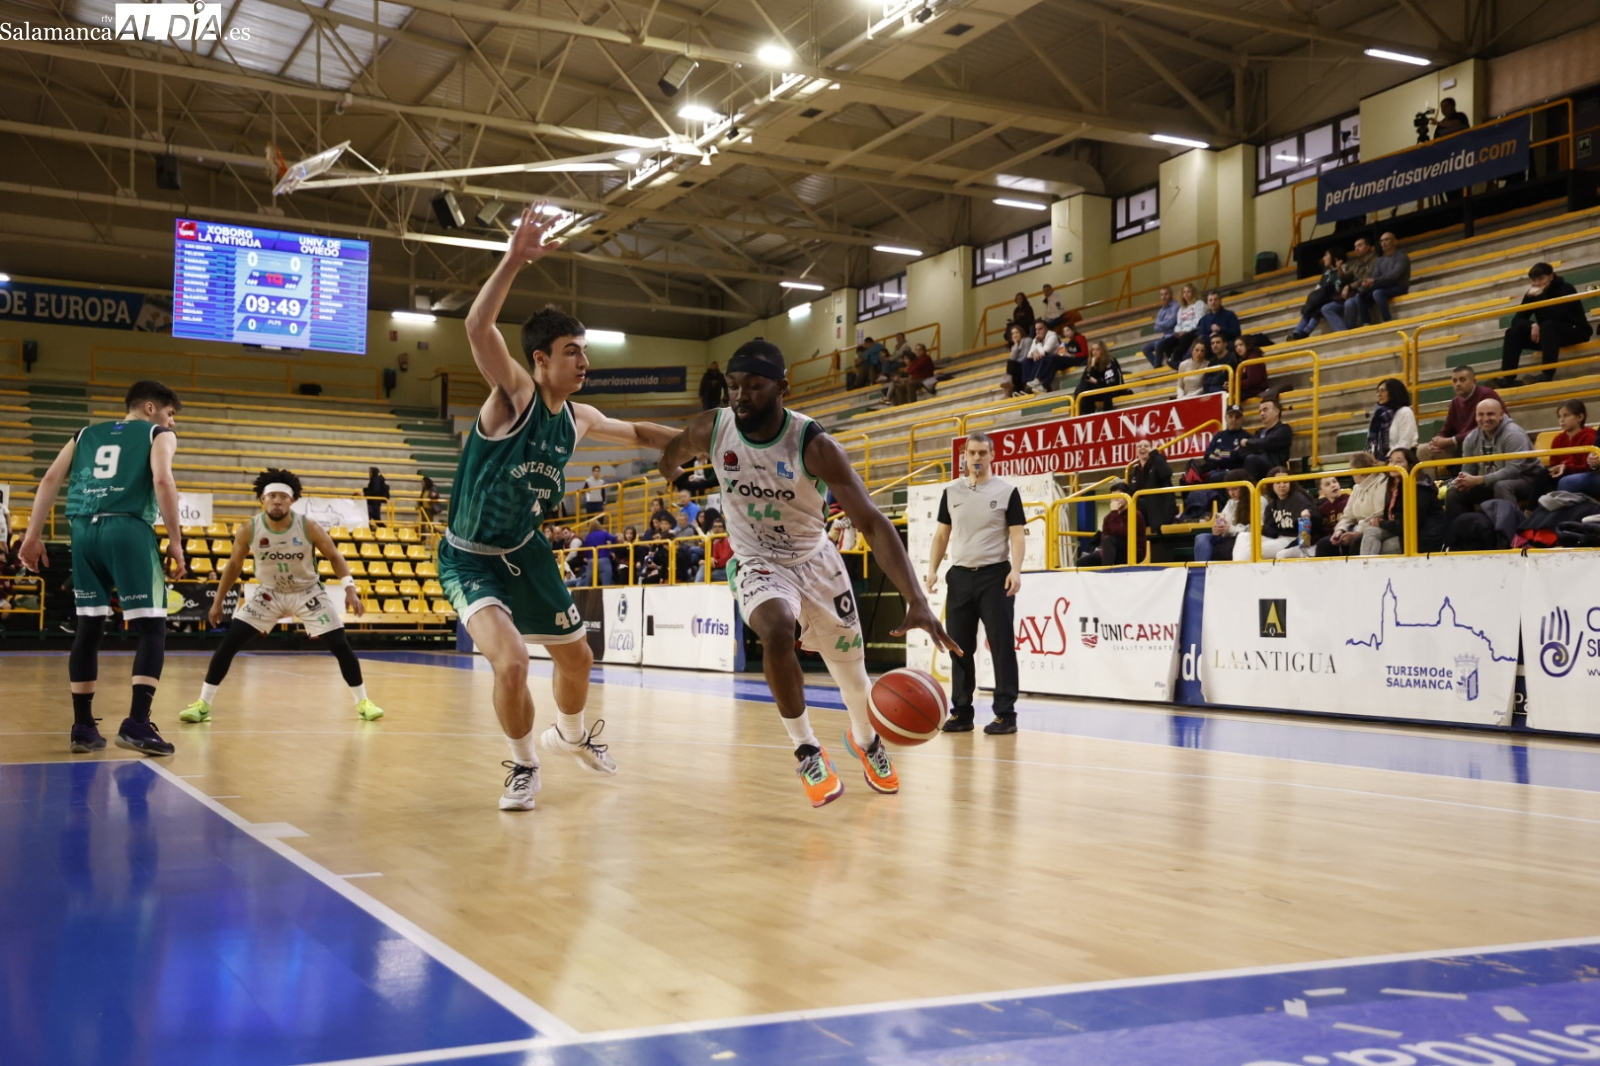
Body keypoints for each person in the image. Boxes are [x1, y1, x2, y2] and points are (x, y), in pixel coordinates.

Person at [440, 204, 679, 811]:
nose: (585, 361)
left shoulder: (581, 418)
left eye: (585, 351)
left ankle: (569, 737)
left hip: (527, 551)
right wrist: (514, 260)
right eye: (572, 351)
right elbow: (477, 327)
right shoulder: (513, 396)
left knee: (579, 657)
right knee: (514, 663)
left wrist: (705, 438)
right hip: (470, 558)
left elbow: (640, 435)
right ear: (541, 359)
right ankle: (524, 766)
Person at [658, 339, 958, 807]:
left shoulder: (814, 446)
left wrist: (916, 598)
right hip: (757, 560)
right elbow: (670, 454)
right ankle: (806, 749)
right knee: (776, 631)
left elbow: (873, 524)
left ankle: (866, 740)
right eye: (733, 386)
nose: (740, 395)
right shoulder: (712, 429)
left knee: (854, 681)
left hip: (816, 561)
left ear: (782, 387)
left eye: (753, 386)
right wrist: (681, 475)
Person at [17, 380, 187, 756]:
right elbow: (162, 480)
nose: (172, 423)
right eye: (170, 413)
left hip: (82, 530)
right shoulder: (157, 434)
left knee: (89, 627)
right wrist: (175, 541)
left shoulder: (84, 434)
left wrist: (32, 536)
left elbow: (49, 480)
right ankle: (137, 723)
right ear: (149, 408)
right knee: (152, 628)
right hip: (127, 528)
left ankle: (82, 727)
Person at [178, 468, 384, 724]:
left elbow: (334, 556)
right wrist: (218, 602)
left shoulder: (308, 526)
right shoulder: (249, 529)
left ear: (293, 500)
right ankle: (203, 704)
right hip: (269, 594)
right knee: (229, 643)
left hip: (307, 592)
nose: (277, 500)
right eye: (272, 496)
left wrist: (350, 589)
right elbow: (233, 567)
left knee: (340, 645)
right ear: (262, 500)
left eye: (283, 496)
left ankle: (363, 701)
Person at [924, 432, 1026, 736]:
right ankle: (962, 712)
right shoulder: (952, 492)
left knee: (1002, 646)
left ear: (993, 455)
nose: (977, 458)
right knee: (959, 648)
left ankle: (1005, 714)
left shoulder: (1008, 491)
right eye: (972, 453)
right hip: (960, 577)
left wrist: (1016, 571)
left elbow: (1017, 535)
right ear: (965, 457)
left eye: (983, 453)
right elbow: (942, 535)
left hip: (995, 576)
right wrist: (932, 569)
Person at [1496, 262, 1594, 387]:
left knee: (1548, 325)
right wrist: (1532, 325)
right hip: (1550, 335)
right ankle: (1508, 379)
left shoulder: (1566, 288)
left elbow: (1557, 316)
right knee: (1512, 332)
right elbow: (1517, 320)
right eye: (1534, 280)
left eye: (1541, 279)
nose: (1537, 283)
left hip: (1576, 331)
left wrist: (1541, 296)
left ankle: (1547, 374)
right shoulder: (1532, 294)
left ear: (1551, 277)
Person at [1444, 398, 1539, 520]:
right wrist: (1464, 480)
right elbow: (1468, 468)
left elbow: (1513, 471)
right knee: (1454, 491)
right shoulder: (1471, 438)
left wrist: (1479, 479)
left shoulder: (1513, 434)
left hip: (1526, 479)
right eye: (1481, 415)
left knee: (1502, 486)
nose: (1485, 419)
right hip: (1489, 481)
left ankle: (1511, 532)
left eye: (1490, 414)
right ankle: (1462, 533)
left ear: (1501, 415)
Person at [1362, 448, 1440, 556]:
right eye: (1391, 461)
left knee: (1380, 547)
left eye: (1399, 461)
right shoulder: (1393, 485)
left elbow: (1410, 524)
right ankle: (1366, 570)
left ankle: (1367, 572)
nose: (1393, 464)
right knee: (1369, 532)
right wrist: (1380, 522)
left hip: (1425, 535)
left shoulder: (1419, 487)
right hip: (1402, 531)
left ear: (1410, 465)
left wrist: (1381, 523)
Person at [1420, 366, 1500, 462]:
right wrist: (1438, 440)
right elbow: (1447, 428)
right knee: (1423, 450)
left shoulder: (1486, 395)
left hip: (1484, 441)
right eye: (1455, 381)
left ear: (1474, 381)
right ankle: (1433, 478)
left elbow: (1486, 428)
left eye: (1462, 380)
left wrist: (1452, 440)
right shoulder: (1455, 402)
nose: (1458, 384)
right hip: (1460, 444)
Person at [1240, 469, 1317, 561]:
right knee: (1242, 537)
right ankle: (1235, 569)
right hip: (1278, 537)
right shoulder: (1272, 504)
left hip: (1292, 539)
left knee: (1249, 552)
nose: (1282, 485)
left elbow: (1311, 522)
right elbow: (1269, 529)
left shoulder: (1299, 499)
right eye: (1278, 482)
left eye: (1285, 482)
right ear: (1271, 485)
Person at [1076, 485, 1145, 567]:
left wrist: (1114, 512)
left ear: (1127, 497)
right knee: (1082, 562)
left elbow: (1122, 533)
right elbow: (1105, 536)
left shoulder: (1135, 514)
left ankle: (1107, 572)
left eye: (1118, 497)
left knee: (1110, 540)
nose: (1115, 500)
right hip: (1112, 550)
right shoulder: (1108, 517)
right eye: (1112, 497)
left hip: (1132, 551)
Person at [1287, 249, 1344, 341]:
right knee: (1312, 307)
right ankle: (1297, 332)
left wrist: (1339, 269)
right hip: (1325, 299)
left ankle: (1305, 331)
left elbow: (1341, 285)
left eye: (1326, 255)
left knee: (1317, 309)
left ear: (1334, 257)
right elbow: (1318, 289)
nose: (1323, 258)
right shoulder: (1326, 274)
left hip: (1337, 299)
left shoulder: (1343, 269)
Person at [1323, 236, 1377, 331]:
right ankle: (1344, 331)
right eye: (1355, 246)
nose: (1356, 249)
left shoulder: (1375, 260)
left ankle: (1351, 329)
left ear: (1368, 247)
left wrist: (1349, 286)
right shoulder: (1356, 264)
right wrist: (1339, 268)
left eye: (1360, 245)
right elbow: (1345, 278)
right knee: (1326, 308)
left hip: (1367, 292)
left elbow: (1366, 278)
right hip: (1353, 293)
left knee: (1349, 303)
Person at [1549, 399, 1600, 497]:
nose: (1561, 420)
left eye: (1566, 415)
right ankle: (1533, 510)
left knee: (1566, 482)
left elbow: (1586, 468)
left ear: (1580, 417)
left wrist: (1567, 467)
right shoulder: (1558, 439)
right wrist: (1593, 462)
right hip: (1590, 473)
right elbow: (1593, 461)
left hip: (1581, 473)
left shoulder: (1589, 436)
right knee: (1544, 476)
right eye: (1559, 416)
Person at [1236, 397, 1293, 481]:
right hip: (1257, 466)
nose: (1262, 413)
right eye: (1260, 411)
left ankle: (1252, 492)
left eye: (1265, 410)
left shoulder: (1284, 429)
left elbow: (1267, 442)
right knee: (1227, 475)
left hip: (1275, 468)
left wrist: (1248, 442)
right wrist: (1255, 445)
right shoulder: (1259, 432)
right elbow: (1243, 451)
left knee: (1251, 459)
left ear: (1277, 412)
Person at [1193, 404, 1253, 482]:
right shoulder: (1218, 436)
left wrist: (1219, 453)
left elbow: (1237, 457)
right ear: (1225, 418)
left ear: (1242, 419)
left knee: (1215, 477)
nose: (1233, 419)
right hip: (1217, 470)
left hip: (1236, 472)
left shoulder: (1247, 437)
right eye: (1230, 416)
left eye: (1237, 417)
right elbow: (1207, 455)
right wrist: (1228, 454)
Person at [1192, 479, 1248, 562]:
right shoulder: (1230, 502)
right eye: (1229, 490)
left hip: (1243, 536)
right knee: (1202, 537)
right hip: (1228, 536)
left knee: (1226, 547)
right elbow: (1222, 520)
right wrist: (1217, 528)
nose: (1231, 493)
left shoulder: (1258, 500)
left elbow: (1257, 529)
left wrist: (1230, 529)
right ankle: (1201, 569)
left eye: (1235, 489)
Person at [1127, 439, 1176, 533]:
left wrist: (1154, 453)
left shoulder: (1158, 463)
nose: (1142, 448)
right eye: (1139, 446)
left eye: (1146, 446)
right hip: (1145, 512)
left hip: (1160, 509)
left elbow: (1167, 473)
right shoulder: (1134, 473)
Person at [1365, 378, 1418, 457]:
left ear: (1393, 392)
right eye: (1378, 391)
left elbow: (1404, 444)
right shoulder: (1378, 416)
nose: (1378, 394)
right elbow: (1372, 444)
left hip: (1401, 458)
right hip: (1381, 459)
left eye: (1383, 391)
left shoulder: (1405, 412)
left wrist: (1387, 459)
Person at [1074, 340, 1126, 413]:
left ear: (1103, 351)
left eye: (1097, 349)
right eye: (1093, 350)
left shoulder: (1110, 361)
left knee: (1085, 388)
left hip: (1112, 390)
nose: (1094, 352)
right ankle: (1084, 415)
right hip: (1098, 391)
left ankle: (1084, 415)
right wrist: (1092, 367)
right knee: (1082, 388)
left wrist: (1097, 381)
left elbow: (1112, 382)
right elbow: (1085, 379)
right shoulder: (1092, 363)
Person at [1160, 284, 1203, 369]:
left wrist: (1186, 331)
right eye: (1184, 292)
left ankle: (1177, 360)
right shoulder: (1181, 308)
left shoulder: (1199, 304)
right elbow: (1179, 323)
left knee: (1184, 339)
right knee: (1165, 343)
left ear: (1193, 293)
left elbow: (1198, 320)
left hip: (1194, 330)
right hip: (1182, 332)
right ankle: (1176, 362)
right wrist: (1178, 331)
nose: (1186, 294)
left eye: (1188, 292)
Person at [1142, 286, 1179, 369]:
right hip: (1165, 336)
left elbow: (1172, 322)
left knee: (1159, 344)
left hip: (1174, 335)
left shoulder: (1176, 306)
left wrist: (1161, 324)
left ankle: (1157, 366)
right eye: (1162, 295)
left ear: (1171, 294)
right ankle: (1157, 365)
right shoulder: (1161, 311)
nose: (1164, 297)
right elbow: (1156, 328)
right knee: (1145, 348)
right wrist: (1165, 323)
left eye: (1166, 294)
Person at [580, 513, 618, 585]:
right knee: (606, 586)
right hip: (603, 559)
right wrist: (612, 551)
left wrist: (588, 557)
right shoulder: (603, 533)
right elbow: (613, 538)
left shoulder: (588, 537)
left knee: (587, 584)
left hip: (592, 561)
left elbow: (586, 550)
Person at [1023, 319, 1060, 392]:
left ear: (1046, 328)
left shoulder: (1052, 336)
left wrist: (1038, 344)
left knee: (1039, 358)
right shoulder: (1036, 339)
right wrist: (1034, 352)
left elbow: (1044, 353)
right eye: (1036, 329)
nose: (1038, 331)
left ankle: (1030, 387)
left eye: (1040, 329)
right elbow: (1029, 355)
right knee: (1026, 361)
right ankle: (1026, 384)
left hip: (1052, 360)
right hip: (1044, 360)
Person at [1233, 337, 1270, 401]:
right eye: (1236, 346)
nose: (1238, 348)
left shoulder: (1253, 358)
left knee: (1230, 398)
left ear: (1247, 345)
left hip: (1256, 390)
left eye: (1241, 345)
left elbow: (1253, 380)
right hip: (1249, 389)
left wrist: (1235, 384)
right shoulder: (1243, 360)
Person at [1004, 324, 1035, 397]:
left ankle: (1009, 383)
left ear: (1021, 333)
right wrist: (1016, 345)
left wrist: (1016, 362)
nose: (1015, 335)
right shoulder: (1014, 346)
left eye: (1016, 332)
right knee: (1012, 365)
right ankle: (1014, 390)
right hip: (1019, 366)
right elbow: (1012, 358)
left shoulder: (1027, 340)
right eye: (1013, 334)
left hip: (1028, 363)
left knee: (1013, 365)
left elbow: (1025, 356)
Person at [708, 516, 734, 581]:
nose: (717, 529)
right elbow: (715, 559)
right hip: (722, 567)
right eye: (715, 527)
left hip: (731, 567)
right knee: (704, 568)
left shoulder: (728, 540)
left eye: (720, 527)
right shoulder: (716, 543)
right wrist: (711, 561)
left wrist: (711, 562)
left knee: (711, 574)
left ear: (724, 529)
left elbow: (725, 560)